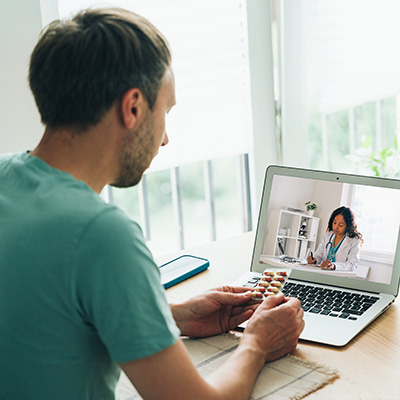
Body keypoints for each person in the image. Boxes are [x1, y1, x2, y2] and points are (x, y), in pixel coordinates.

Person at [0, 8, 304, 400]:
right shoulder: (101, 235)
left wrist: (173, 315)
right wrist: (257, 344)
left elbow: (38, 312)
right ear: (133, 108)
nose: (164, 140)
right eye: (166, 112)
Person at [307, 206, 363, 271]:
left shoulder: (354, 241)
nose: (336, 227)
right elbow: (319, 255)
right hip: (324, 274)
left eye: (340, 225)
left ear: (348, 226)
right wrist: (314, 260)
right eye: (335, 223)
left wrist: (334, 266)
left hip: (340, 277)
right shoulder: (328, 235)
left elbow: (352, 264)